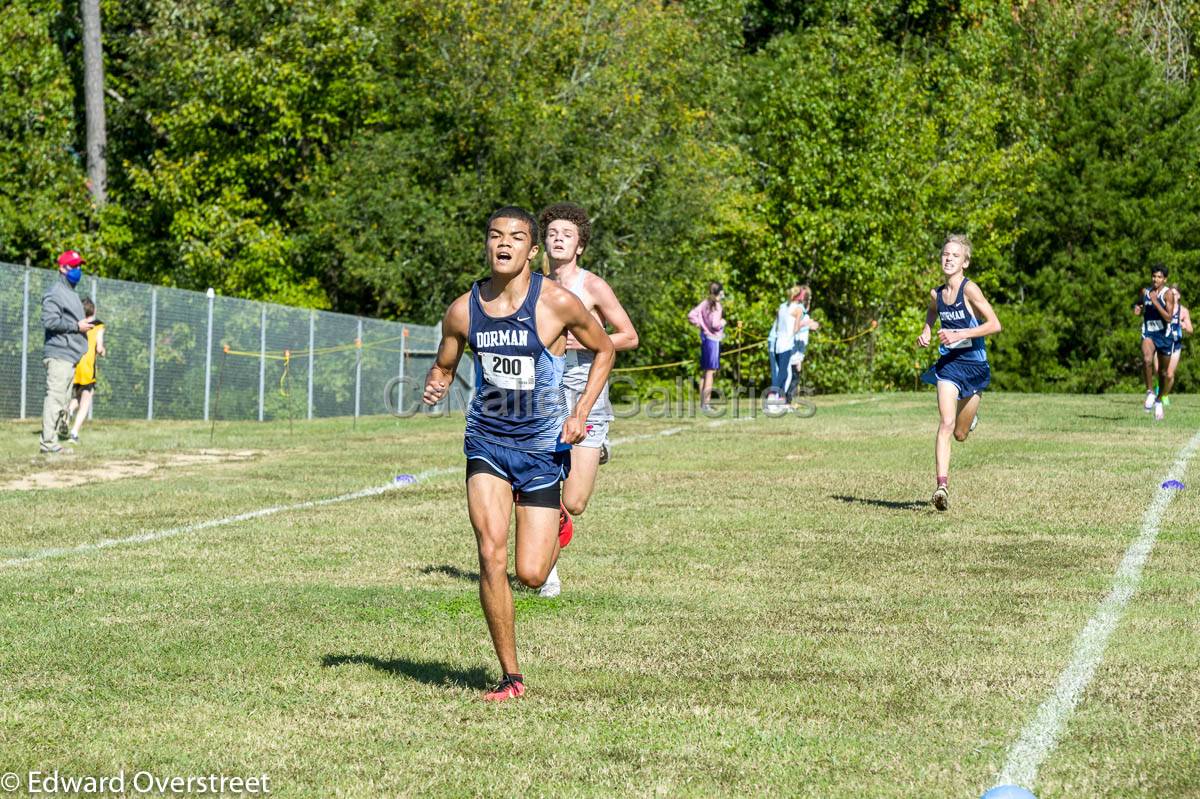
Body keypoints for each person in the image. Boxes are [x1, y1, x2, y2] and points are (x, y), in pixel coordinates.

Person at [422, 206, 614, 702]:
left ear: (532, 250)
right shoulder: (464, 309)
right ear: (487, 245)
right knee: (489, 552)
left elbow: (605, 351)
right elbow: (446, 360)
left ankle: (559, 527)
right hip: (486, 442)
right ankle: (511, 677)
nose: (504, 244)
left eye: (516, 237)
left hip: (541, 448)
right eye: (495, 236)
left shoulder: (556, 302)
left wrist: (581, 413)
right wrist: (437, 383)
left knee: (530, 574)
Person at [538, 202, 638, 599]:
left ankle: (595, 450)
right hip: (545, 393)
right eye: (552, 233)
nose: (559, 238)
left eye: (567, 234)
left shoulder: (591, 286)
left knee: (575, 502)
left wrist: (586, 339)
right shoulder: (533, 285)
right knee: (543, 482)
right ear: (543, 242)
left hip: (586, 391)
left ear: (579, 246)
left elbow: (629, 336)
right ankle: (549, 574)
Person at [917, 235, 1001, 511]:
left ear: (965, 262)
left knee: (961, 433)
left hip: (974, 365)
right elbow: (932, 311)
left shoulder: (970, 290)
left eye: (955, 255)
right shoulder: (937, 294)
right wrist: (928, 329)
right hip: (949, 365)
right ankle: (941, 486)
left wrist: (961, 333)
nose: (948, 258)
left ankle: (972, 418)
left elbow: (994, 325)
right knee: (946, 423)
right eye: (945, 254)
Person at [40, 250, 94, 454]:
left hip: (70, 355)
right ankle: (48, 444)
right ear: (62, 268)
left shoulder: (71, 292)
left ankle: (54, 441)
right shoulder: (55, 292)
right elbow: (50, 320)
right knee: (55, 398)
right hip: (59, 354)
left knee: (63, 401)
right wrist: (76, 326)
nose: (78, 270)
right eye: (74, 266)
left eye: (80, 266)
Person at [1132, 264, 1177, 420]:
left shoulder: (1168, 294)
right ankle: (1150, 392)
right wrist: (1137, 308)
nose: (1155, 279)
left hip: (1165, 336)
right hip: (1149, 333)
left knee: (1163, 373)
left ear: (1165, 279)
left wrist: (1155, 301)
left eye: (1159, 277)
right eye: (1153, 276)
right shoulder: (1146, 292)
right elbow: (1138, 303)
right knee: (1146, 359)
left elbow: (1168, 317)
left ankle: (1159, 401)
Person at [67, 298, 106, 443]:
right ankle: (74, 433)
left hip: (75, 365)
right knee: (86, 401)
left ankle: (69, 410)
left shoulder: (77, 325)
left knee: (78, 395)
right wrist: (102, 352)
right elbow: (99, 347)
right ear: (94, 310)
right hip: (88, 367)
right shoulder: (98, 325)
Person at [687, 282, 725, 411]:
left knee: (705, 372)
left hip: (705, 339)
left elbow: (691, 315)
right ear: (718, 293)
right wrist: (722, 323)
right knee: (710, 372)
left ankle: (703, 403)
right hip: (713, 340)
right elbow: (715, 324)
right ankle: (706, 403)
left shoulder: (704, 303)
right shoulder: (717, 306)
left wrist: (700, 325)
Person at [1152, 284, 1190, 407]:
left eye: (1174, 294)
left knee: (1169, 374)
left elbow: (1190, 329)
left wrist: (1183, 325)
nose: (1171, 296)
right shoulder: (1163, 307)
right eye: (1170, 293)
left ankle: (1165, 394)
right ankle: (1159, 387)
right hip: (1161, 342)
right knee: (1158, 370)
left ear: (1178, 296)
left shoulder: (1183, 311)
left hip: (1175, 345)